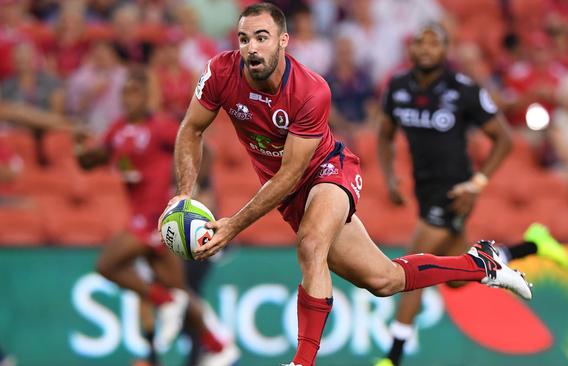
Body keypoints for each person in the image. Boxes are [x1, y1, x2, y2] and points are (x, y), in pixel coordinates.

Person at [163, 4, 532, 366]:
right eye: (244, 39)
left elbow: (293, 172)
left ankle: (302, 362)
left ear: (283, 41)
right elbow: (192, 129)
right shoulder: (220, 72)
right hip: (290, 194)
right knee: (384, 280)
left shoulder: (310, 90)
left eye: (262, 37)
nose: (252, 47)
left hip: (327, 170)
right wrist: (183, 194)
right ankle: (479, 263)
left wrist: (233, 225)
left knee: (311, 244)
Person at [373, 24, 568, 366]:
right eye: (420, 42)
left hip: (456, 189)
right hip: (424, 189)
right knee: (457, 279)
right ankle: (532, 245)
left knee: (411, 267)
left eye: (434, 42)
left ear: (445, 50)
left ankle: (392, 357)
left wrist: (476, 184)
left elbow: (504, 139)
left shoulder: (461, 89)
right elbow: (384, 134)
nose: (425, 48)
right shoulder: (398, 87)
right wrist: (390, 178)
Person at [76, 68, 238, 366]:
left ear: (147, 96)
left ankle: (164, 306)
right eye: (125, 93)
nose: (129, 99)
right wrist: (81, 151)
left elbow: (204, 150)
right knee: (179, 291)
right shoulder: (118, 129)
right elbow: (93, 159)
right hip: (142, 217)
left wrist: (192, 190)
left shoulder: (162, 127)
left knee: (107, 265)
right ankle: (218, 345)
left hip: (155, 217)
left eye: (135, 92)